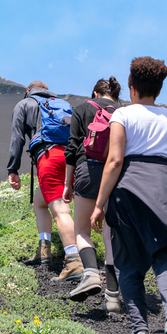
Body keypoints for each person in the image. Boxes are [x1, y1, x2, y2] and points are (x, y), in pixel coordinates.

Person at [90, 57, 167, 334]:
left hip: (128, 191)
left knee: (128, 265)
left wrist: (99, 205)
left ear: (132, 87)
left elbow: (114, 161)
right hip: (162, 188)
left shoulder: (122, 115)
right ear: (159, 89)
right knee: (164, 256)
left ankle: (140, 328)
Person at [8, 81, 83, 281]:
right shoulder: (60, 103)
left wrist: (13, 169)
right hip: (70, 158)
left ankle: (74, 262)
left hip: (48, 157)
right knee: (40, 202)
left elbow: (17, 137)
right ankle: (44, 251)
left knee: (60, 211)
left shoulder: (25, 104)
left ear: (28, 91)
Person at [63, 77, 122, 309]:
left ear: (95, 94)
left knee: (82, 231)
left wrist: (68, 183)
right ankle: (113, 297)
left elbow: (72, 146)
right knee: (111, 237)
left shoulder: (81, 108)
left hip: (87, 170)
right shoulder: (123, 112)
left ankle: (91, 273)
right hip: (116, 175)